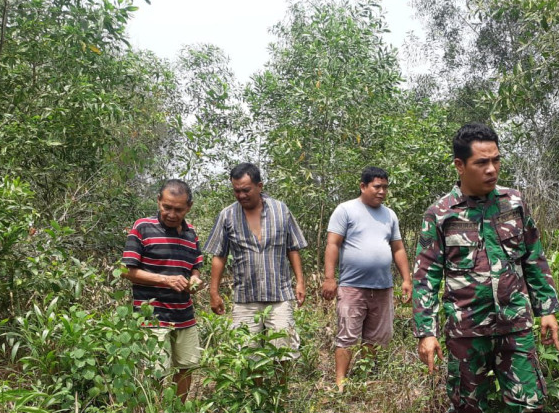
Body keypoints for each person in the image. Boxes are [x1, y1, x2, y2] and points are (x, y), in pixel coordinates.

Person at [412, 123, 559, 413]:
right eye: (481, 163)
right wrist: (426, 332)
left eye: (496, 160)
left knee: (529, 404)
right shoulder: (440, 214)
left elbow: (534, 258)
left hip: (515, 325)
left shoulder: (514, 203)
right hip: (466, 331)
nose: (492, 169)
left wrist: (547, 309)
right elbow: (425, 278)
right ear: (460, 165)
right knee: (468, 407)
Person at [321, 166, 412, 391]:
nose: (382, 192)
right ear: (363, 186)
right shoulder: (345, 210)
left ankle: (366, 379)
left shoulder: (389, 215)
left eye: (385, 187)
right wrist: (329, 278)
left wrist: (406, 279)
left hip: (382, 287)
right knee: (347, 335)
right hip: (352, 286)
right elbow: (333, 244)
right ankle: (341, 383)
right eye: (377, 186)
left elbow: (398, 248)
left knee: (377, 337)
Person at [205, 163, 308, 358]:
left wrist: (300, 282)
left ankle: (280, 379)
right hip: (245, 298)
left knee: (283, 353)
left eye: (246, 190)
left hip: (279, 295)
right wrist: (214, 292)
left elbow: (292, 248)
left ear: (259, 186)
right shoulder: (227, 215)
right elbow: (219, 255)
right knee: (246, 356)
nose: (241, 195)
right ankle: (254, 381)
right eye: (236, 191)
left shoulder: (281, 210)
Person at [121, 179, 203, 402]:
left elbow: (195, 267)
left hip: (184, 316)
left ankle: (177, 407)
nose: (171, 214)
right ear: (158, 201)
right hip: (152, 317)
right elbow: (126, 271)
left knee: (187, 366)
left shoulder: (191, 234)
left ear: (189, 207)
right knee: (155, 372)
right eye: (167, 207)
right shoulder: (142, 228)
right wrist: (165, 280)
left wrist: (195, 280)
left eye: (178, 209)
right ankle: (155, 407)